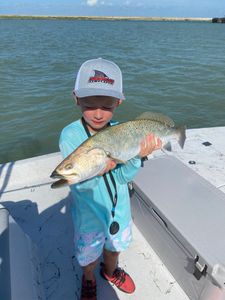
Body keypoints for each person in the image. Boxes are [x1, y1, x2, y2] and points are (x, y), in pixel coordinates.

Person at [59, 58, 161, 300]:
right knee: (88, 256)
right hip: (89, 216)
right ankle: (89, 278)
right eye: (89, 103)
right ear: (76, 98)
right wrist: (99, 168)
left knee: (114, 249)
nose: (97, 113)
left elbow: (123, 176)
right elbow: (79, 182)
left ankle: (111, 271)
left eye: (106, 106)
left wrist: (138, 156)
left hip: (120, 211)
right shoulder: (70, 135)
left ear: (118, 102)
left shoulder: (121, 131)